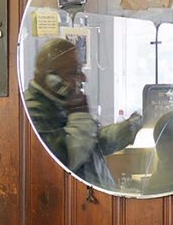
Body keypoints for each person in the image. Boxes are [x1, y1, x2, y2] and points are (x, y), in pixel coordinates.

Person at [23, 37, 140, 188]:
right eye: (75, 72)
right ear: (53, 79)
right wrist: (79, 115)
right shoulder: (33, 112)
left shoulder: (59, 104)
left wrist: (132, 126)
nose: (83, 78)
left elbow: (95, 142)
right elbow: (63, 161)